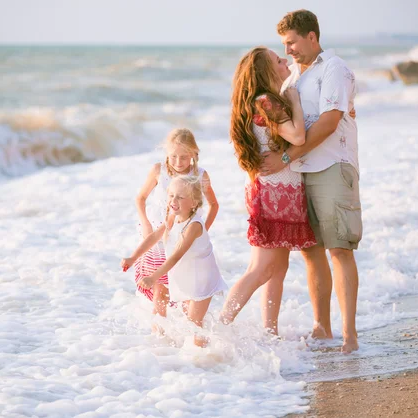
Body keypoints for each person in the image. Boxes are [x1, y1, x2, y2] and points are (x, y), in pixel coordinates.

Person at [260, 10, 362, 353]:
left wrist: (286, 156)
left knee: (339, 249)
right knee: (311, 252)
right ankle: (322, 329)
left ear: (312, 37)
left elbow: (331, 121)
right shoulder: (293, 81)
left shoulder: (334, 68)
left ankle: (349, 336)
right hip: (302, 174)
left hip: (333, 166)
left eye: (291, 42)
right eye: (284, 45)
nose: (288, 50)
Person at [218, 46, 317, 336]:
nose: (284, 60)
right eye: (277, 60)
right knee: (261, 269)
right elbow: (298, 136)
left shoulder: (263, 101)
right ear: (266, 72)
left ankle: (270, 332)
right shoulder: (266, 102)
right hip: (275, 195)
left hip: (280, 193)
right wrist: (294, 100)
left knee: (278, 268)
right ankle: (219, 326)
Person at [122, 175, 228, 347]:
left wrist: (153, 277)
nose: (173, 200)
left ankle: (204, 360)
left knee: (194, 324)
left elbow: (176, 255)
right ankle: (204, 348)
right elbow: (154, 237)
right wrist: (133, 257)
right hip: (186, 275)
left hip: (202, 279)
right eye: (171, 195)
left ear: (194, 203)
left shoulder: (194, 226)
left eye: (180, 196)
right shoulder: (173, 217)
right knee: (190, 319)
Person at [132, 128, 219, 322]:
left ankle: (187, 333)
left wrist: (200, 231)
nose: (178, 162)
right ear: (166, 154)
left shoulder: (200, 175)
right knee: (160, 289)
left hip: (184, 235)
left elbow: (214, 205)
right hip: (158, 235)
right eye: (173, 157)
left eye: (184, 157)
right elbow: (140, 198)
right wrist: (146, 224)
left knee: (187, 288)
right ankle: (160, 336)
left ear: (193, 155)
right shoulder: (158, 171)